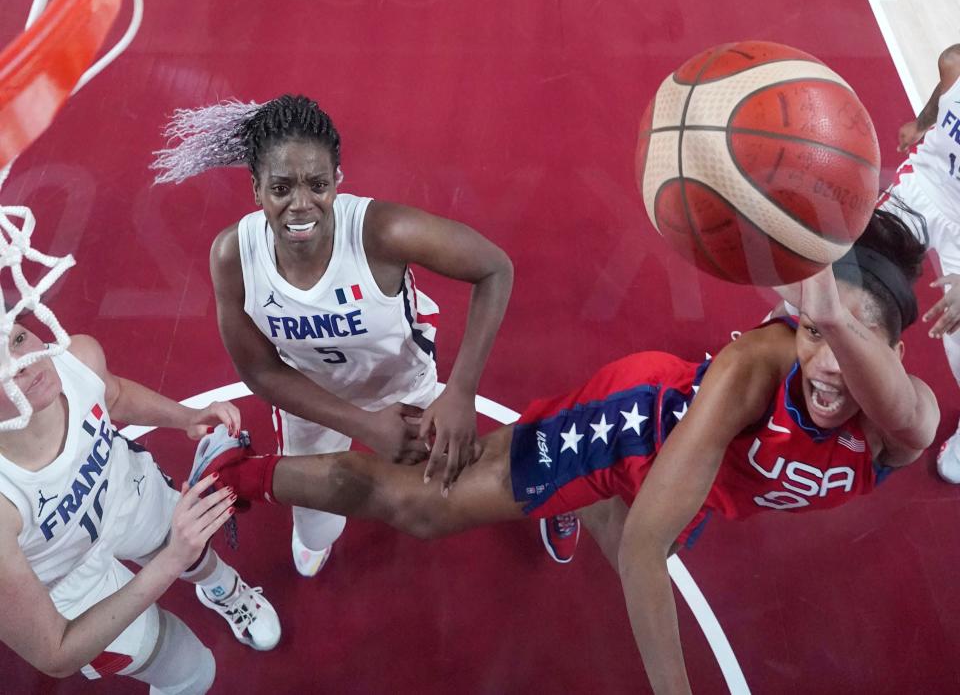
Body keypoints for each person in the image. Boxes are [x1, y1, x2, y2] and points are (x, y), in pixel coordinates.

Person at [188, 208, 938, 693]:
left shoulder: (902, 426)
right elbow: (646, 551)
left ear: (895, 349)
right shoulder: (754, 371)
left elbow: (906, 413)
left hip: (699, 474)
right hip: (629, 425)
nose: (829, 362)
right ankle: (241, 471)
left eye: (853, 337)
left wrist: (833, 313)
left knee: (628, 527)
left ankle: (577, 502)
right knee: (422, 506)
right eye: (814, 331)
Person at [152, 94, 513, 576]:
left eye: (318, 184)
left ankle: (551, 480)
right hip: (311, 397)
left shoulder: (383, 232)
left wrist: (461, 391)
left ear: (338, 181)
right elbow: (258, 369)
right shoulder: (233, 256)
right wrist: (362, 425)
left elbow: (494, 269)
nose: (301, 205)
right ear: (256, 189)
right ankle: (319, 534)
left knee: (446, 477)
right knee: (317, 521)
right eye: (281, 188)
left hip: (404, 382)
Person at [0, 322, 281, 693]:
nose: (24, 361)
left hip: (125, 491)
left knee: (196, 555)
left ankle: (222, 590)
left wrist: (187, 417)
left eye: (18, 338)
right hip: (63, 577)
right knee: (193, 673)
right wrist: (172, 561)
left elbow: (112, 396)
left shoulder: (76, 358)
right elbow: (55, 653)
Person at [882, 43, 960, 481]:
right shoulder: (957, 63)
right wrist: (923, 122)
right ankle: (786, 331)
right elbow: (945, 84)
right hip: (925, 187)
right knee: (854, 275)